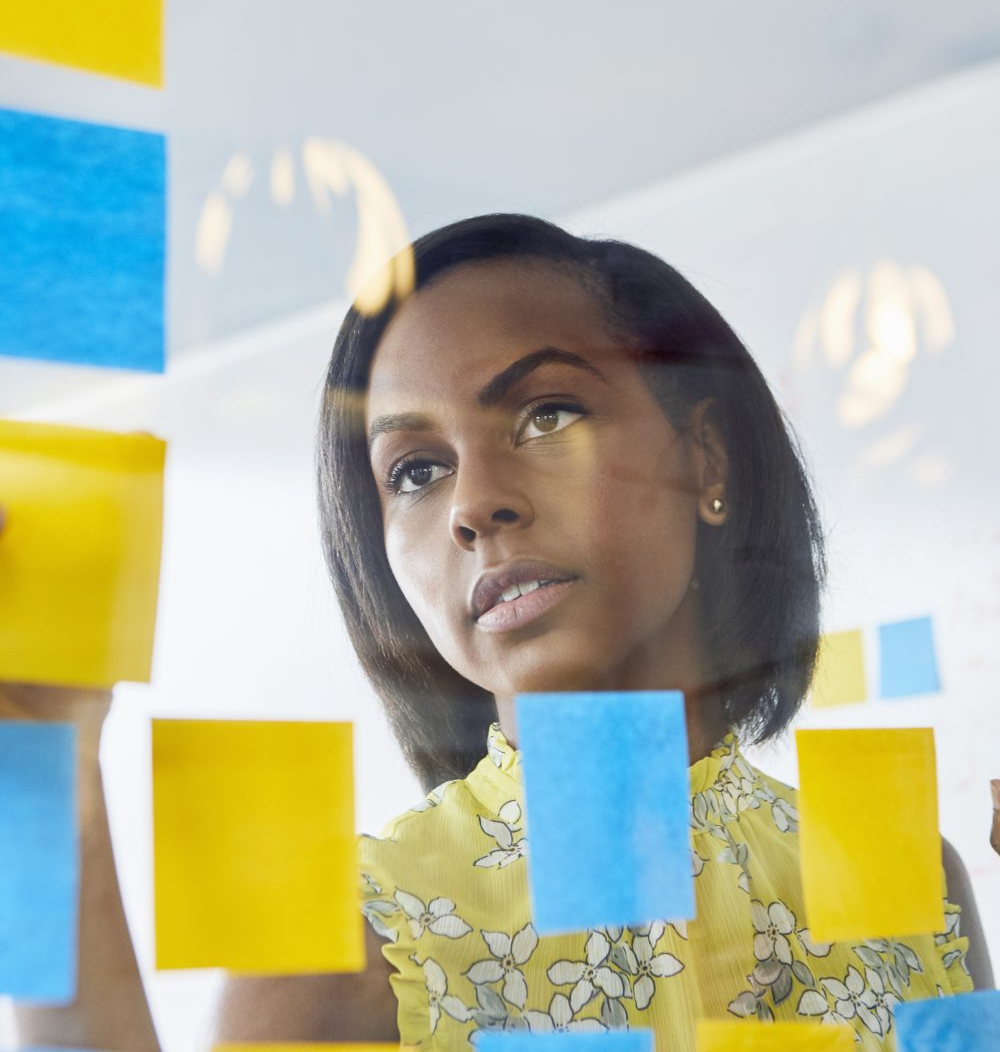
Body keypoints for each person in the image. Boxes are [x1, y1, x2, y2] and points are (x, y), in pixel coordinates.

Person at [0, 215, 995, 1051]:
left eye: (545, 413)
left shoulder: (916, 875)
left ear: (705, 459)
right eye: (415, 472)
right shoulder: (346, 945)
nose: (475, 504)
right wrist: (45, 774)